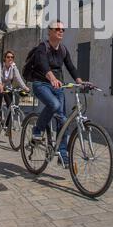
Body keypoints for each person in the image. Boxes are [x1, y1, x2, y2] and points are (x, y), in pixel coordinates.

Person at [31, 20, 83, 168]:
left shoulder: (63, 50)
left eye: (63, 30)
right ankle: (37, 129)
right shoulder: (43, 47)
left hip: (57, 86)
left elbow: (71, 67)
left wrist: (81, 81)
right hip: (41, 84)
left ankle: (62, 154)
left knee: (63, 120)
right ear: (50, 32)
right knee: (54, 104)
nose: (61, 31)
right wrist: (52, 78)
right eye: (57, 29)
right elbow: (43, 64)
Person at [0, 50, 29, 125]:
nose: (10, 59)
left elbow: (18, 78)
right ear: (5, 58)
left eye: (12, 57)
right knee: (0, 92)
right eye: (8, 57)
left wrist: (25, 87)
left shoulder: (13, 67)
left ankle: (7, 125)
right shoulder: (0, 65)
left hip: (7, 88)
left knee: (10, 105)